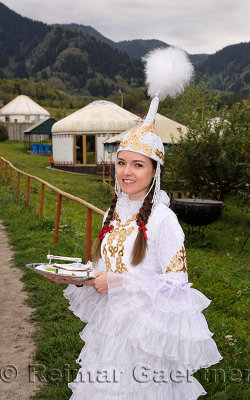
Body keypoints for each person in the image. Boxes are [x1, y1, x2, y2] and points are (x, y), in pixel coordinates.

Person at [48, 47, 222, 399]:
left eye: (138, 165)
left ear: (155, 171)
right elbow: (104, 267)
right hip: (109, 332)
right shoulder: (113, 212)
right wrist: (79, 278)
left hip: (144, 342)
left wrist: (118, 283)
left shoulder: (164, 220)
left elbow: (177, 287)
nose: (126, 172)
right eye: (122, 162)